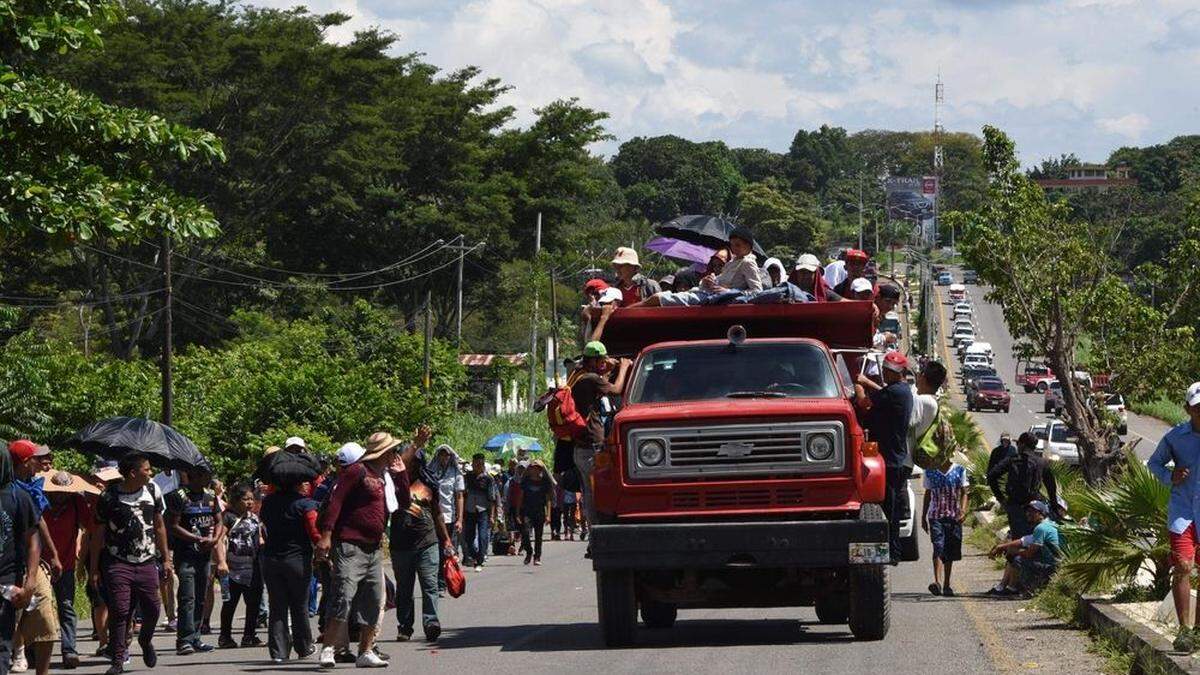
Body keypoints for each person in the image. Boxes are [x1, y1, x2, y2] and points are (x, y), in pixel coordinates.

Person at [315, 433, 405, 669]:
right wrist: (326, 535)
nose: (395, 454)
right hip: (349, 545)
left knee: (374, 600)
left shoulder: (384, 476)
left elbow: (403, 501)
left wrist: (402, 472)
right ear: (382, 452)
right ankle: (328, 648)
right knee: (343, 596)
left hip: (373, 548)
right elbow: (336, 502)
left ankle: (365, 651)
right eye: (392, 450)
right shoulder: (357, 471)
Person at [91, 453, 171, 675]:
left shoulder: (153, 491)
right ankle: (117, 659)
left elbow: (160, 526)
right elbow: (97, 533)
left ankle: (145, 641)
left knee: (153, 608)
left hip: (146, 561)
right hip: (117, 562)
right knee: (120, 610)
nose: (150, 472)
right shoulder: (109, 496)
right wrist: (94, 569)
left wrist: (165, 559)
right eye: (147, 469)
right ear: (133, 473)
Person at [1148, 382, 1200, 651]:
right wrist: (1171, 476)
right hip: (1183, 513)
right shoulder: (1175, 437)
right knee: (1183, 566)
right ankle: (1184, 630)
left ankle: (1198, 632)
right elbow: (1153, 463)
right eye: (1198, 408)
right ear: (1188, 409)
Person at [389, 429, 453, 644]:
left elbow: (437, 514)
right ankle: (405, 627)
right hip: (401, 545)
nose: (412, 465)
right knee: (404, 589)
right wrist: (416, 444)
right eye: (410, 461)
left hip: (427, 541)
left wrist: (446, 539)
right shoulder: (394, 484)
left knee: (430, 585)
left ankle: (431, 622)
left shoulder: (428, 484)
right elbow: (401, 464)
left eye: (416, 462)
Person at [8, 441, 59, 675]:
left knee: (45, 617)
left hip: (33, 560)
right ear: (26, 461)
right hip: (8, 560)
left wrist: (54, 554)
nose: (40, 463)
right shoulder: (8, 490)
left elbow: (38, 524)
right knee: (13, 616)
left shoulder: (31, 489)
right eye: (36, 458)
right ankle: (18, 652)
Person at [857, 351, 913, 564]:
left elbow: (864, 403)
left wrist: (859, 386)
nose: (885, 374)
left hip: (889, 460)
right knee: (892, 507)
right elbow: (883, 391)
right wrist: (870, 382)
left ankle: (892, 552)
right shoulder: (901, 391)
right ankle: (892, 550)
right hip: (895, 458)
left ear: (895, 373)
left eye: (888, 372)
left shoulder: (893, 393)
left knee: (889, 509)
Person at [985, 431, 1058, 596]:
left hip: (1015, 507)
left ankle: (1011, 585)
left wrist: (1001, 498)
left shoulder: (1013, 460)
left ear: (1023, 444)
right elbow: (1051, 487)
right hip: (1034, 508)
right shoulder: (1041, 462)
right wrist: (1052, 506)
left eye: (1019, 444)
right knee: (1027, 544)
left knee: (1018, 543)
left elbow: (992, 476)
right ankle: (1012, 585)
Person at [260, 469, 321, 663]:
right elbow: (314, 532)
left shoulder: (268, 502)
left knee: (277, 606)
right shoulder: (306, 504)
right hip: (297, 560)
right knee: (299, 605)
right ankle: (303, 647)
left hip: (270, 559)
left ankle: (278, 652)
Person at [570, 341, 632, 529]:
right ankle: (596, 531)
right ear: (594, 361)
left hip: (582, 446)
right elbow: (616, 389)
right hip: (591, 446)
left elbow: (599, 385)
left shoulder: (581, 375)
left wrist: (606, 371)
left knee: (590, 491)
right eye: (602, 360)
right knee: (594, 492)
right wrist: (624, 368)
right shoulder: (590, 378)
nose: (605, 362)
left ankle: (593, 531)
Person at [165, 468, 223, 655]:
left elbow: (220, 521)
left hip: (205, 555)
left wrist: (214, 539)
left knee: (201, 597)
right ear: (194, 476)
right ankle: (184, 640)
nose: (209, 478)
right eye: (205, 475)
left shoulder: (210, 496)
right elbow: (172, 526)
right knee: (187, 597)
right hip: (186, 554)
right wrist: (196, 539)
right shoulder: (178, 496)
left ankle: (195, 637)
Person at [40, 470, 94, 669]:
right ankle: (31, 650)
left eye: (65, 491)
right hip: (40, 565)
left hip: (67, 565)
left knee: (66, 607)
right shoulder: (39, 501)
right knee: (37, 609)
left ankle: (69, 650)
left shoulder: (76, 503)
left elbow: (92, 525)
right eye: (57, 492)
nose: (61, 495)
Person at [635, 229, 762, 307]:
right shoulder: (734, 261)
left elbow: (757, 291)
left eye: (738, 245)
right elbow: (722, 281)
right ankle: (624, 310)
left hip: (712, 298)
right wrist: (708, 280)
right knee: (656, 298)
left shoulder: (748, 263)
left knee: (658, 298)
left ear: (749, 246)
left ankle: (623, 311)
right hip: (706, 293)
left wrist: (729, 292)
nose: (734, 248)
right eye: (733, 245)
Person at [0, 448, 40, 675]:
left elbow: (34, 540)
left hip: (6, 584)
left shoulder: (17, 497)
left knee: (2, 645)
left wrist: (31, 580)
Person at [216, 482, 263, 649]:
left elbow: (259, 539)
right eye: (245, 499)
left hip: (253, 569)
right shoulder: (227, 517)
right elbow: (219, 540)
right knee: (230, 604)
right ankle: (225, 636)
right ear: (236, 500)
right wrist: (221, 562)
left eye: (251, 499)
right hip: (232, 569)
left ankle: (249, 636)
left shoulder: (254, 517)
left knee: (254, 604)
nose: (249, 502)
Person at [988, 500, 1061, 596]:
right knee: (1014, 553)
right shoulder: (1049, 524)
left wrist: (1015, 552)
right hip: (1054, 562)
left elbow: (1029, 553)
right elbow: (1026, 540)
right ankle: (1004, 586)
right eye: (1028, 511)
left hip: (1051, 566)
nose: (1028, 514)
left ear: (1041, 514)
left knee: (1016, 559)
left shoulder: (1041, 528)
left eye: (1033, 512)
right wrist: (1003, 547)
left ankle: (1014, 588)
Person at [921, 458, 969, 596]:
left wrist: (963, 511)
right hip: (936, 516)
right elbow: (928, 494)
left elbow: (965, 492)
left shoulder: (959, 470)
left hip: (954, 517)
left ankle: (947, 584)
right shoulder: (930, 471)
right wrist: (923, 517)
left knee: (950, 550)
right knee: (938, 547)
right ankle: (937, 582)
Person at [422, 445, 464, 595]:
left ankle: (450, 580)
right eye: (441, 455)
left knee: (447, 551)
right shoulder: (431, 472)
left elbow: (459, 496)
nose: (444, 458)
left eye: (446, 455)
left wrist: (460, 519)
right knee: (436, 551)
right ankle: (439, 584)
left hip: (449, 516)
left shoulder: (455, 473)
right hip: (433, 517)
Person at [462, 453, 497, 573]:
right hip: (469, 510)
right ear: (473, 464)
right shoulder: (467, 478)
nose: (478, 466)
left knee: (483, 537)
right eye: (476, 464)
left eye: (481, 464)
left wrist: (492, 516)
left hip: (483, 511)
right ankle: (475, 556)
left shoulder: (488, 479)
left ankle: (480, 560)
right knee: (468, 538)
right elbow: (462, 495)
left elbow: (492, 499)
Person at [518, 460, 554, 566]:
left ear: (540, 469)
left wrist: (548, 515)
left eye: (537, 468)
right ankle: (529, 552)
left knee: (539, 536)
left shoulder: (545, 482)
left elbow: (548, 500)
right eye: (533, 468)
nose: (535, 470)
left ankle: (537, 556)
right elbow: (520, 497)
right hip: (527, 511)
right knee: (525, 533)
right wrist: (517, 512)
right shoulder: (525, 481)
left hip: (539, 511)